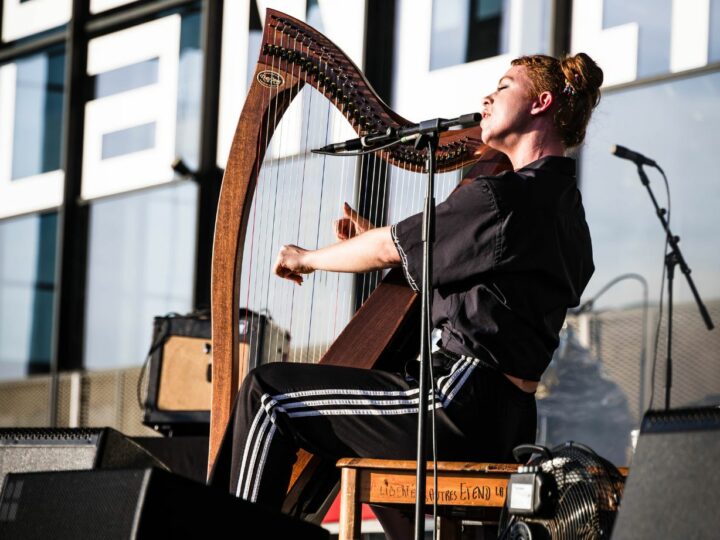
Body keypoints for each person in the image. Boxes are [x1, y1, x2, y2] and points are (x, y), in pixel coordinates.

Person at [209, 53, 604, 536]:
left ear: (541, 103)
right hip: (510, 419)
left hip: (453, 400)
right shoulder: (564, 209)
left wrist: (306, 257)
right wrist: (387, 240)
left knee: (268, 395)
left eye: (503, 86)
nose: (488, 97)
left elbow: (384, 250)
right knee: (354, 447)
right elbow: (483, 280)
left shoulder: (500, 197)